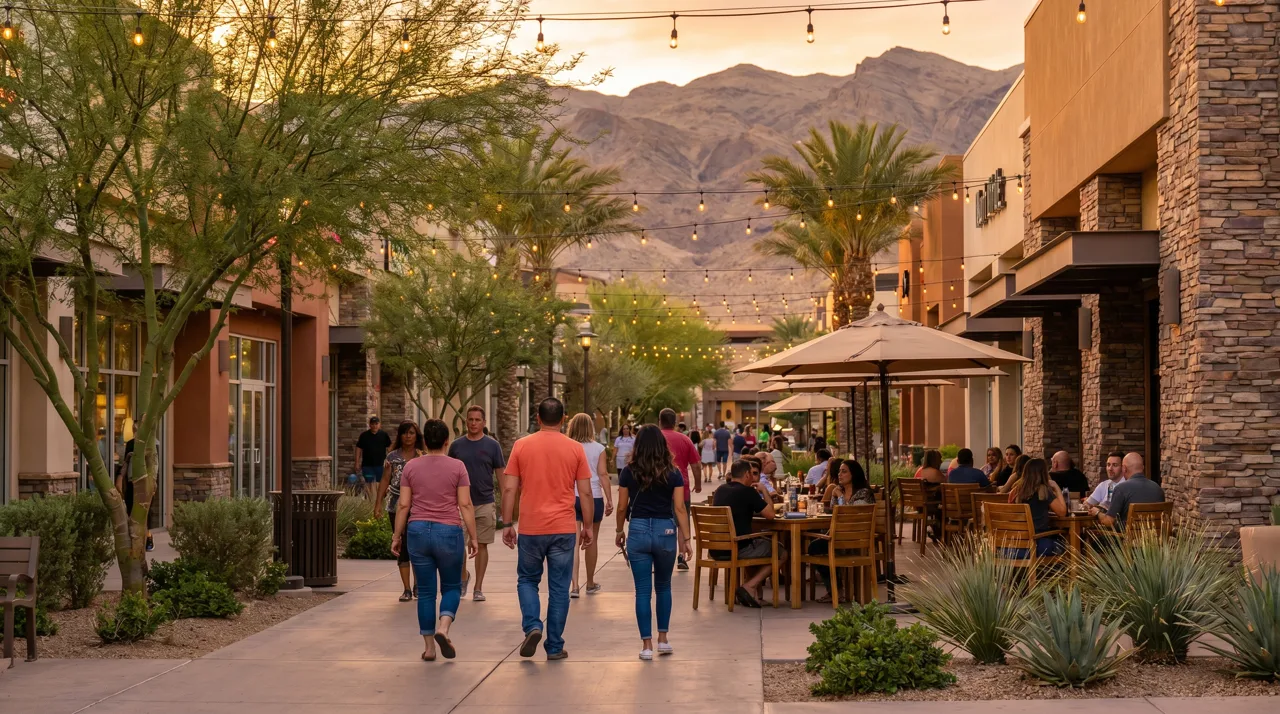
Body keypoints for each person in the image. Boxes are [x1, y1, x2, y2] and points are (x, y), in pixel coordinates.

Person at [501, 398, 594, 661]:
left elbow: (509, 488)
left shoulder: (521, 445)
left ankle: (532, 625)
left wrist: (507, 523)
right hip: (564, 528)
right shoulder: (576, 449)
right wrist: (587, 527)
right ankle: (554, 646)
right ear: (564, 419)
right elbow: (585, 493)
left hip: (531, 528)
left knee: (527, 580)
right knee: (559, 588)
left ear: (538, 418)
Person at [390, 419, 478, 662]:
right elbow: (465, 504)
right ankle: (444, 627)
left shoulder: (411, 467)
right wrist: (473, 536)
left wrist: (397, 536)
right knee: (451, 587)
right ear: (447, 442)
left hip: (417, 531)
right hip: (448, 531)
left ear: (425, 441)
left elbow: (404, 504)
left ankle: (429, 648)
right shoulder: (458, 467)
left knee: (426, 592)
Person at [615, 424, 692, 660]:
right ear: (662, 445)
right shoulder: (673, 472)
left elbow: (621, 507)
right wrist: (686, 539)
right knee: (664, 587)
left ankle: (646, 645)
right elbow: (679, 508)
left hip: (637, 529)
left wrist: (620, 530)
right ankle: (663, 639)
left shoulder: (628, 471)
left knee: (642, 591)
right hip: (665, 531)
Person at [447, 405, 505, 602]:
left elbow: (501, 477)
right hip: (461, 504)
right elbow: (449, 475)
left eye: (477, 420)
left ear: (484, 422)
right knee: (458, 546)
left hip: (485, 502)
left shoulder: (493, 446)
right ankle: (463, 577)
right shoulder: (456, 446)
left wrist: (504, 503)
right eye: (470, 420)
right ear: (466, 422)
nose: (473, 423)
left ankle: (478, 587)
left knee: (481, 545)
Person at [711, 459, 782, 608]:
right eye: (752, 473)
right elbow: (770, 515)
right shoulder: (748, 491)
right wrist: (763, 490)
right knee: (781, 551)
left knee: (760, 544)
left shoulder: (720, 490)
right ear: (747, 474)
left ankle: (752, 592)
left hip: (717, 548)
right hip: (739, 547)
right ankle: (749, 586)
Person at [809, 458, 873, 602]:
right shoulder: (839, 491)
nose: (840, 474)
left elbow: (849, 515)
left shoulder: (863, 493)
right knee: (815, 546)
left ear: (853, 474)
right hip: (838, 536)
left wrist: (840, 497)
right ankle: (835, 590)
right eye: (839, 471)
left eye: (844, 472)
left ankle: (836, 591)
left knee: (816, 547)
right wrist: (835, 496)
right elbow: (834, 512)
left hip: (855, 538)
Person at [568, 413, 613, 597]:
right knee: (591, 540)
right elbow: (603, 474)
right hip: (593, 497)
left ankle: (575, 586)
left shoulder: (567, 446)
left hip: (572, 497)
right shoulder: (599, 448)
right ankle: (590, 582)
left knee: (574, 542)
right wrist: (609, 499)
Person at [378, 420, 424, 602]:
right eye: (405, 433)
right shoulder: (392, 457)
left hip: (419, 506)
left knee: (417, 547)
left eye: (411, 433)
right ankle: (406, 588)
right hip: (396, 506)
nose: (408, 436)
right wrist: (377, 504)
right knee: (402, 547)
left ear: (417, 435)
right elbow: (385, 480)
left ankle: (418, 585)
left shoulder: (422, 456)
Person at [659, 408, 700, 570]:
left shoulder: (656, 439)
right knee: (682, 522)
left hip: (658, 488)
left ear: (660, 421)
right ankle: (682, 556)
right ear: (675, 422)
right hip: (681, 487)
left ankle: (661, 555)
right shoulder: (685, 439)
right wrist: (698, 483)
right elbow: (696, 465)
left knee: (661, 522)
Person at [1009, 457, 1066, 557]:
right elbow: (1062, 512)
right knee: (1065, 543)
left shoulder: (1015, 491)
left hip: (1013, 545)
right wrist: (1056, 488)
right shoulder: (1043, 490)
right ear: (1043, 473)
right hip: (1037, 544)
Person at [1095, 452, 1164, 531]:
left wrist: (1097, 513)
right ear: (1142, 467)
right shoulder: (1158, 488)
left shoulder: (1121, 489)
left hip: (1127, 541)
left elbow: (1108, 522)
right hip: (1154, 540)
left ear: (1124, 468)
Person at [115, 414, 154, 552]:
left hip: (146, 483)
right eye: (134, 430)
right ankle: (135, 538)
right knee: (131, 508)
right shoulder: (131, 443)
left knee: (145, 511)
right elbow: (125, 462)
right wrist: (120, 478)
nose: (135, 433)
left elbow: (155, 466)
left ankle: (148, 536)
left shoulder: (153, 444)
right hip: (132, 481)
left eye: (137, 430)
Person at [356, 416, 392, 499]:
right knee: (369, 484)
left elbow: (389, 449)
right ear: (369, 425)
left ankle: (379, 501)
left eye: (376, 424)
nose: (374, 426)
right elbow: (358, 448)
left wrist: (390, 461)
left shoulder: (384, 435)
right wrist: (357, 462)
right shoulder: (364, 435)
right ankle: (369, 503)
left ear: (379, 424)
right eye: (372, 424)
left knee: (380, 484)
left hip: (380, 465)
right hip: (367, 466)